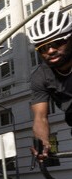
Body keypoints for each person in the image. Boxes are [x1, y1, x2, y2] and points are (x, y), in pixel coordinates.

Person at [29, 10, 72, 160]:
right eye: (43, 48)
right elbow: (40, 117)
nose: (51, 50)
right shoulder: (40, 77)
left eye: (58, 43)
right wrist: (43, 143)